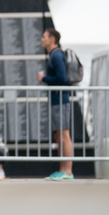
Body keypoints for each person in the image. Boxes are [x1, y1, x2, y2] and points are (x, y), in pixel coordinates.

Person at [38, 28, 74, 181]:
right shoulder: (54, 54)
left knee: (64, 135)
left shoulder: (57, 55)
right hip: (57, 100)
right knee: (59, 136)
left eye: (44, 36)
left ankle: (67, 171)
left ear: (52, 39)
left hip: (61, 100)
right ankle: (62, 170)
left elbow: (62, 78)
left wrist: (44, 78)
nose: (42, 39)